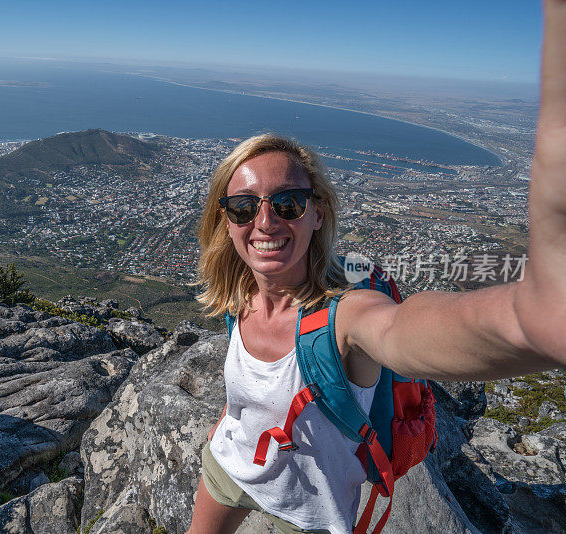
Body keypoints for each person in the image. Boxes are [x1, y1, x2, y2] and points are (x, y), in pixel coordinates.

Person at [186, 2, 566, 533]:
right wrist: (229, 425)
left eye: (289, 203)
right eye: (245, 208)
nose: (265, 221)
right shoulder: (240, 292)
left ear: (318, 213)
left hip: (311, 515)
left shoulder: (344, 319)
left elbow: (402, 330)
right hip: (228, 464)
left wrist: (529, 321)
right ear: (226, 222)